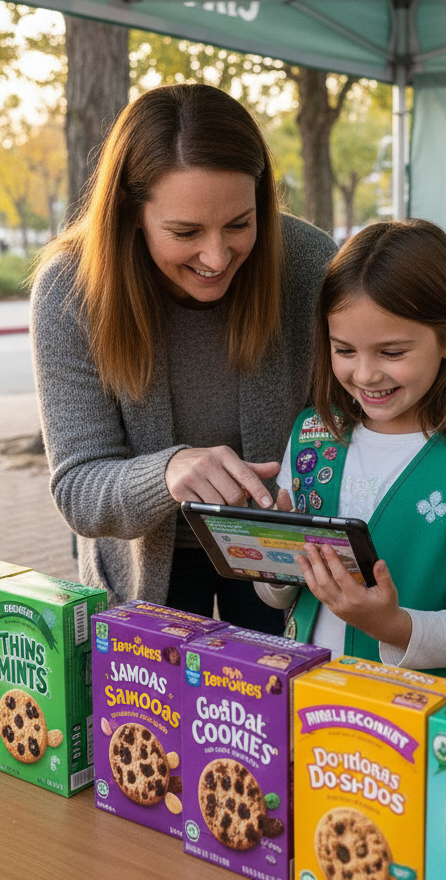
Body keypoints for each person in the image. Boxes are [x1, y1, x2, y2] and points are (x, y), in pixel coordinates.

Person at [31, 83, 337, 631]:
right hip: (146, 570)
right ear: (130, 211)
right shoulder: (69, 290)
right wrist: (168, 471)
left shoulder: (309, 262)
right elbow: (78, 488)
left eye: (240, 225)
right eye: (185, 232)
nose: (217, 257)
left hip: (287, 564)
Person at [257, 220, 446, 692]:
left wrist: (390, 624)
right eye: (343, 349)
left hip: (415, 726)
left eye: (391, 351)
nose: (364, 374)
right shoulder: (312, 435)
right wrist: (275, 558)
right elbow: (279, 596)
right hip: (307, 703)